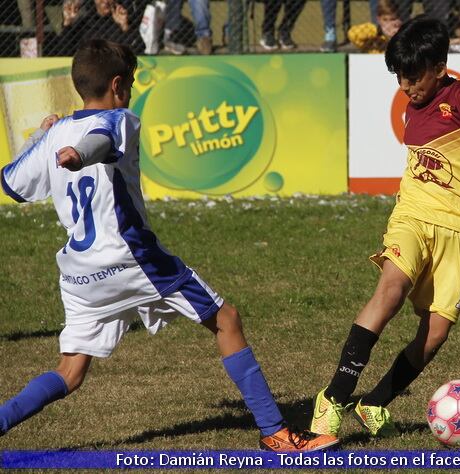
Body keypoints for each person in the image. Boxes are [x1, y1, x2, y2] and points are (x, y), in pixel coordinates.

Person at [0, 39, 337, 453]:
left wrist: (45, 137)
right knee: (226, 320)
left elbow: (11, 183)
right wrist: (79, 154)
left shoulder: (57, 134)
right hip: (132, 259)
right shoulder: (121, 117)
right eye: (133, 83)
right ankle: (275, 432)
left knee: (69, 372)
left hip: (80, 275)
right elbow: (103, 138)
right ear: (118, 84)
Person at [308, 17, 460, 440]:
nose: (407, 88)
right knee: (390, 288)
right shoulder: (414, 108)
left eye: (413, 78)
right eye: (400, 79)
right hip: (412, 215)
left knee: (435, 334)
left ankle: (374, 403)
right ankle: (335, 397)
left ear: (440, 67)